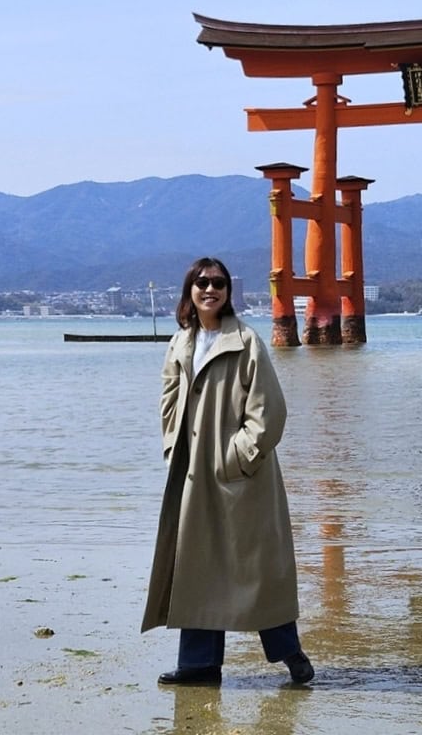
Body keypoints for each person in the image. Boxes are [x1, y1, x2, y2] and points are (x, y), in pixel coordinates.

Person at [141, 256, 314, 686]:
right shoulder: (180, 343)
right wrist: (173, 445)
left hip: (242, 476)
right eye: (202, 282)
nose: (210, 289)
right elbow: (168, 400)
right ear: (190, 290)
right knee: (196, 565)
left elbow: (269, 412)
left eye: (218, 283)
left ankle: (290, 652)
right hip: (193, 473)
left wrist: (237, 457)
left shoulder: (246, 342)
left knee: (257, 569)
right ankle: (198, 665)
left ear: (228, 292)